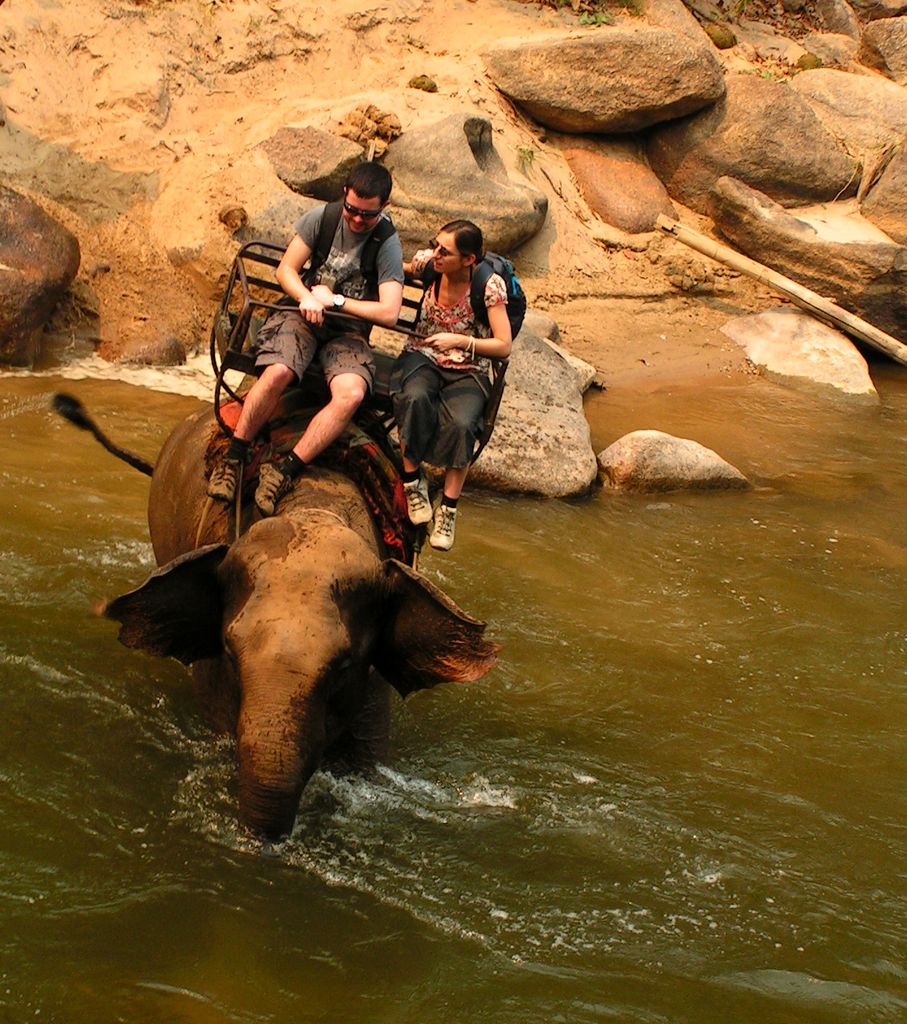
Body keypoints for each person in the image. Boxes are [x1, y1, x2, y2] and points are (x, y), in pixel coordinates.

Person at [208, 161, 404, 515]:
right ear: (344, 195)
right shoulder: (323, 218)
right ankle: (235, 456)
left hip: (347, 331)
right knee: (280, 371)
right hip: (301, 315)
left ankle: (285, 470)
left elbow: (389, 312)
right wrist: (306, 296)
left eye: (368, 215)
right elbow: (286, 268)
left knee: (352, 394)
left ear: (383, 208)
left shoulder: (387, 243)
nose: (357, 220)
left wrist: (340, 302)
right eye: (352, 211)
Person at [392, 220, 513, 551]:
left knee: (461, 423)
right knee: (414, 398)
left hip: (468, 366)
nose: (437, 254)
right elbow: (398, 269)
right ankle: (413, 482)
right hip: (423, 355)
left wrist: (461, 341)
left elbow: (504, 345)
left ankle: (448, 509)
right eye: (436, 245)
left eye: (445, 251)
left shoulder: (489, 287)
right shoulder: (431, 265)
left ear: (469, 259)